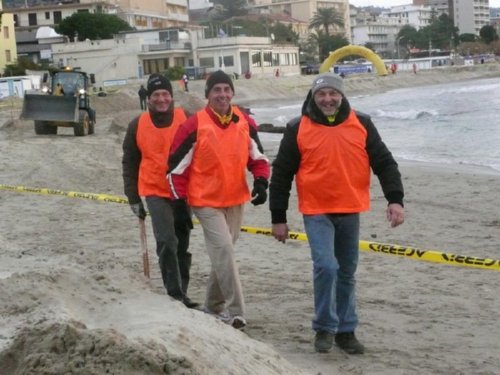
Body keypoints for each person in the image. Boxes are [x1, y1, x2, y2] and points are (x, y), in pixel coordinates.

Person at [269, 72, 405, 354]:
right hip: (316, 211)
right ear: (313, 97)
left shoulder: (362, 123)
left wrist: (395, 200)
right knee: (326, 267)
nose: (328, 99)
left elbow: (384, 163)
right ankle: (323, 327)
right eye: (321, 94)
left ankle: (346, 330)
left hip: (350, 209)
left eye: (333, 94)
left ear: (342, 96)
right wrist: (278, 218)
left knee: (346, 272)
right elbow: (281, 174)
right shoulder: (298, 127)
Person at [168, 70, 270, 330]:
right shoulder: (193, 125)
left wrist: (261, 181)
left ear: (232, 92)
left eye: (226, 89)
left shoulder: (244, 121)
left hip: (236, 198)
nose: (222, 94)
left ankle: (212, 308)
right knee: (223, 250)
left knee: (223, 255)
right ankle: (236, 313)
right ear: (207, 95)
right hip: (204, 200)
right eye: (216, 90)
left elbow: (258, 157)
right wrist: (179, 204)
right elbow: (175, 169)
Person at [122, 73, 199, 309]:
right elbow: (130, 163)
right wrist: (133, 198)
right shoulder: (137, 124)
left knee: (182, 243)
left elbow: (201, 151)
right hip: (154, 191)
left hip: (183, 192)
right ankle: (174, 295)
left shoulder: (185, 118)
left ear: (171, 96)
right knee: (167, 241)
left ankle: (182, 292)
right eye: (156, 94)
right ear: (149, 97)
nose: (161, 99)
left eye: (165, 94)